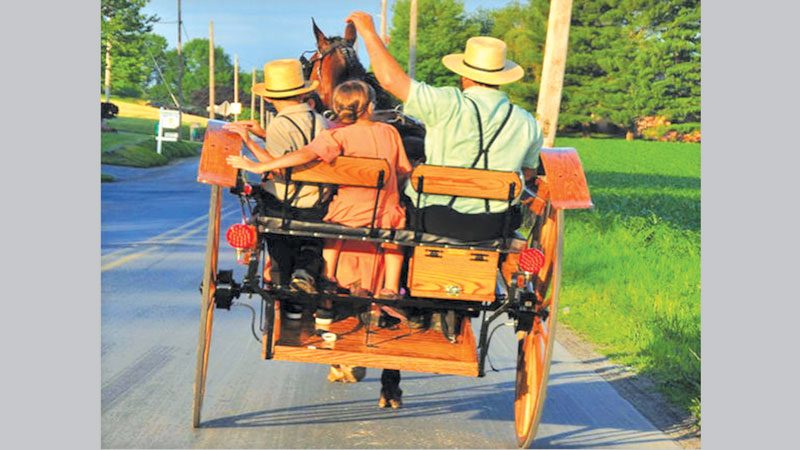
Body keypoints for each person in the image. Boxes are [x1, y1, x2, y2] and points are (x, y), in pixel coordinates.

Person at [227, 80, 412, 324]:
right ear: (370, 107)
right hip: (386, 213)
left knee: (329, 228)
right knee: (396, 228)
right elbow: (404, 169)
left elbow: (303, 155)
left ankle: (327, 289)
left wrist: (259, 164)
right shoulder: (390, 131)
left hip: (347, 214)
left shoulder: (336, 135)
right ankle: (389, 288)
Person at [222, 59, 328, 320]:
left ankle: (283, 283)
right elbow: (302, 152)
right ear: (302, 92)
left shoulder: (281, 123)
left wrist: (249, 142)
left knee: (263, 202)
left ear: (270, 97)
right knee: (309, 242)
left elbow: (279, 168)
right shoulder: (319, 120)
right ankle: (306, 271)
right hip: (318, 201)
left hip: (288, 200)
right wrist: (263, 136)